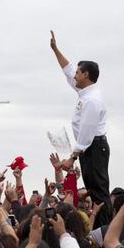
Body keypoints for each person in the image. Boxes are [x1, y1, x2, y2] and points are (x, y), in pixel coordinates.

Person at [50, 30, 111, 228]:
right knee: (94, 193)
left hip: (93, 148)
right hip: (89, 149)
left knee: (99, 193)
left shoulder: (92, 100)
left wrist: (72, 157)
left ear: (86, 75)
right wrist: (55, 49)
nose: (75, 75)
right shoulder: (84, 92)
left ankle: (104, 231)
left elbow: (86, 133)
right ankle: (100, 229)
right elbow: (68, 70)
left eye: (78, 72)